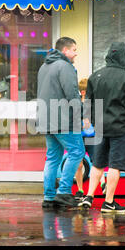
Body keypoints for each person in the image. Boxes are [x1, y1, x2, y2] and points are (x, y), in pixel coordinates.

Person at [79, 42, 125, 213]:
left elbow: (88, 104)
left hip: (100, 127)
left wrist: (93, 122)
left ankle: (89, 196)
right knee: (114, 165)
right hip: (120, 128)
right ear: (124, 57)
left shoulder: (95, 76)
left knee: (97, 164)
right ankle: (108, 202)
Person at [37, 37, 85, 208]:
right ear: (65, 51)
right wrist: (81, 114)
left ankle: (48, 197)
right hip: (63, 120)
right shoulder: (65, 67)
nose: (76, 53)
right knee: (77, 151)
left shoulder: (44, 67)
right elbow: (72, 94)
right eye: (74, 50)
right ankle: (64, 191)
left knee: (52, 158)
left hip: (46, 119)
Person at [74, 78, 105, 201]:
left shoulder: (93, 104)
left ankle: (103, 183)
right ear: (82, 92)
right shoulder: (76, 104)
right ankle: (80, 190)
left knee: (96, 162)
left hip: (91, 136)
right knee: (79, 164)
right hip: (80, 137)